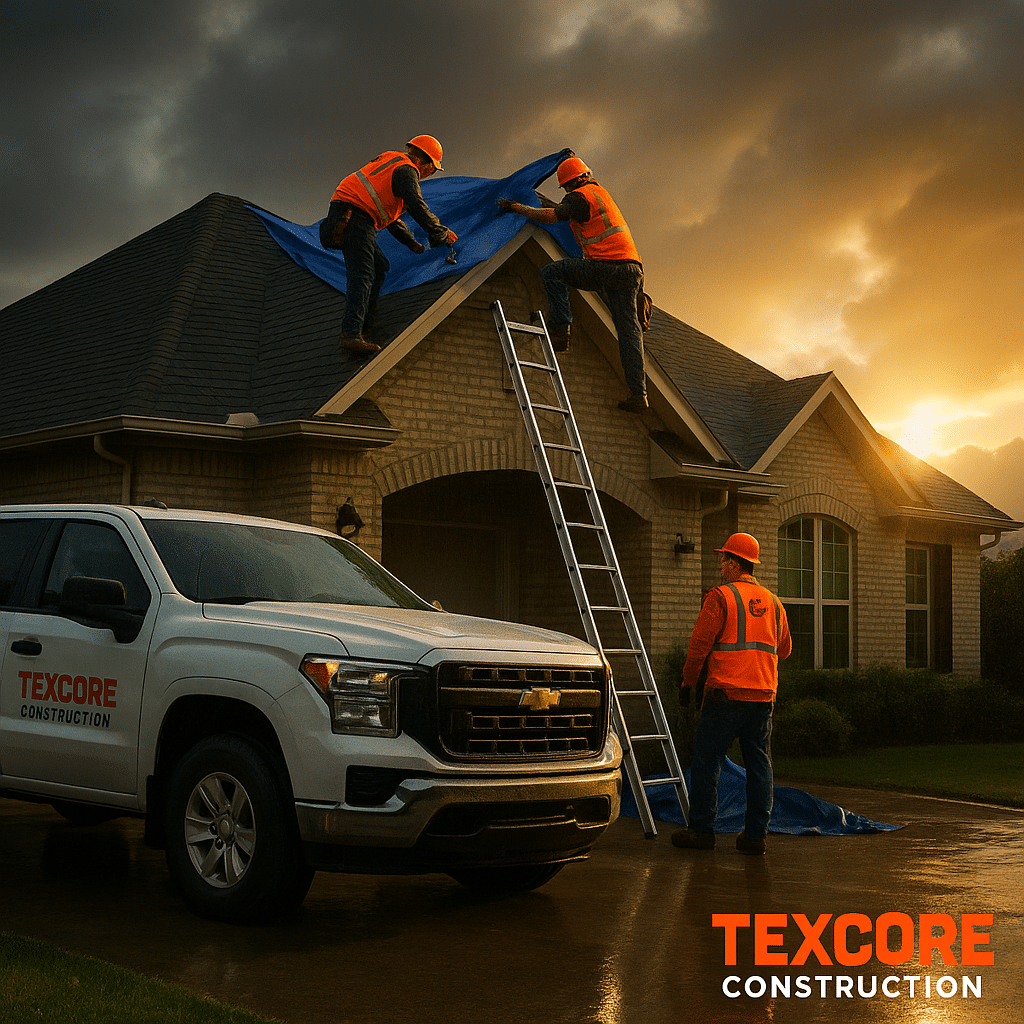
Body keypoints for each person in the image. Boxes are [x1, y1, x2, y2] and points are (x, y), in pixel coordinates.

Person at [496, 156, 648, 413]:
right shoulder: (600, 194)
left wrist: (516, 207)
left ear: (571, 182)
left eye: (565, 186)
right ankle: (639, 394)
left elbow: (550, 217)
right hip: (632, 271)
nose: (566, 191)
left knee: (553, 273)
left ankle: (561, 330)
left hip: (607, 267)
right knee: (628, 332)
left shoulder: (580, 197)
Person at [673, 533, 792, 855]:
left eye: (724, 559)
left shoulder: (720, 597)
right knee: (759, 765)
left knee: (707, 762)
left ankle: (702, 832)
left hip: (725, 695)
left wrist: (687, 685)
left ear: (735, 563)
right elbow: (785, 650)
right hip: (762, 698)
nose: (721, 565)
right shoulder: (774, 602)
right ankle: (755, 837)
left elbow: (699, 646)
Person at [321, 135, 458, 355]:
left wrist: (410, 242)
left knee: (379, 267)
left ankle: (364, 324)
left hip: (353, 214)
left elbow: (389, 215)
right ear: (425, 162)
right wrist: (440, 231)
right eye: (433, 170)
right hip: (353, 216)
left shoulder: (391, 161)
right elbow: (417, 205)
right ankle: (351, 334)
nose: (428, 175)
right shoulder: (407, 171)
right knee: (363, 274)